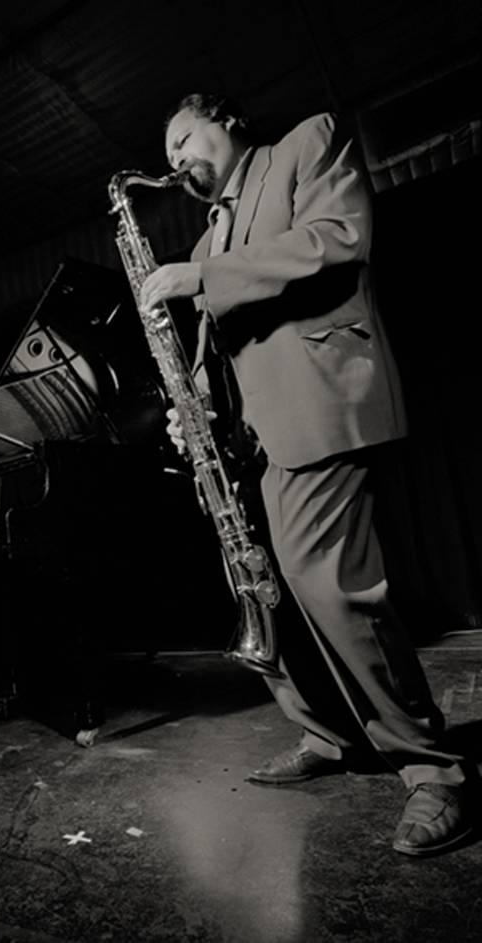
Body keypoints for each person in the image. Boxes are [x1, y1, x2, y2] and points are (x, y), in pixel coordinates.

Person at [139, 93, 476, 856]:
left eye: (183, 138)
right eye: (167, 155)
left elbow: (337, 239)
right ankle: (327, 735)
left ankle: (435, 769)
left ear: (224, 120)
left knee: (326, 581)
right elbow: (224, 341)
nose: (175, 161)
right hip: (250, 435)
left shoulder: (306, 144)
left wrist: (200, 274)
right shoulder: (211, 228)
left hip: (317, 400)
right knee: (265, 591)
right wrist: (191, 404)